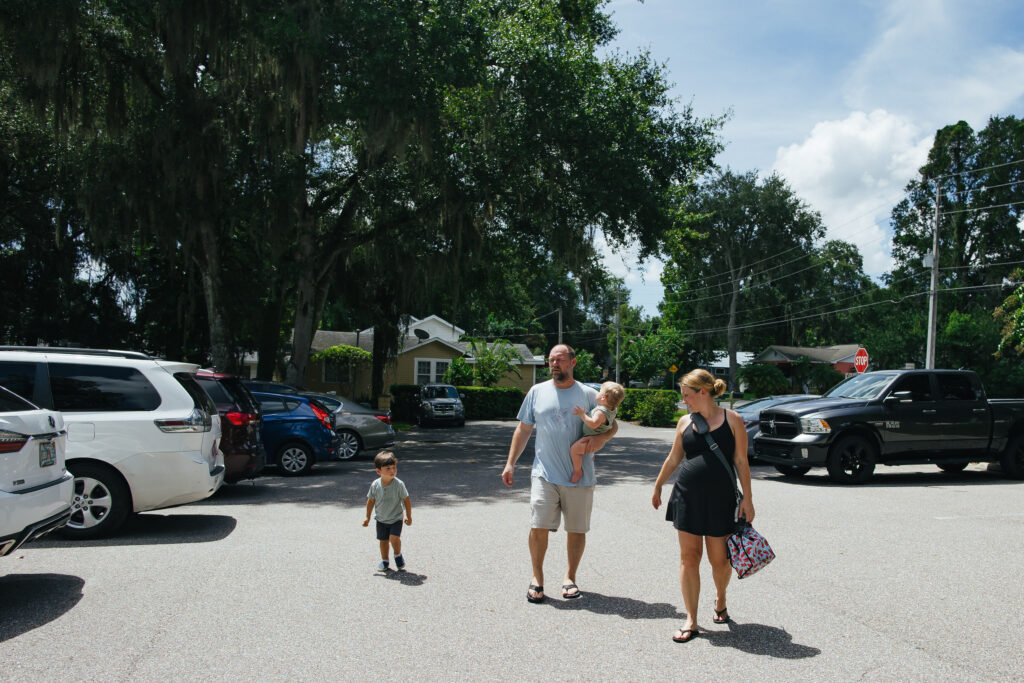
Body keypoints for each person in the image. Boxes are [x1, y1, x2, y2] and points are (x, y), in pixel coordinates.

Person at [501, 344, 618, 603]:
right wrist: (510, 463)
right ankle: (537, 579)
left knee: (576, 530)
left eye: (560, 360)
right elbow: (523, 430)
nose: (554, 364)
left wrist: (601, 441)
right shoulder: (536, 391)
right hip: (544, 473)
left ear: (572, 363)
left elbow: (612, 424)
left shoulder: (589, 394)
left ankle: (570, 578)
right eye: (551, 360)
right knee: (538, 526)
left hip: (580, 476)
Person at [651, 369, 754, 643]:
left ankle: (720, 598)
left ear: (703, 392)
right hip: (687, 496)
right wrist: (659, 484)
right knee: (689, 558)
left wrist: (748, 498)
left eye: (687, 396)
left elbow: (741, 462)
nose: (685, 402)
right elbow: (674, 458)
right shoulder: (685, 422)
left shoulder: (732, 420)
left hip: (720, 499)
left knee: (719, 560)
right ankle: (691, 620)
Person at [362, 451, 412, 572]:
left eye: (394, 467)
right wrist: (367, 517)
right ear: (378, 471)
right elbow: (370, 501)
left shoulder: (399, 484)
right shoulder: (375, 485)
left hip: (396, 518)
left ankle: (398, 555)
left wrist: (408, 517)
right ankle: (385, 560)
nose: (392, 471)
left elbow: (406, 500)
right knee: (383, 541)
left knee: (393, 538)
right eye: (388, 468)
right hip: (381, 519)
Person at [569, 381, 625, 483]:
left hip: (590, 439)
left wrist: (582, 415)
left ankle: (577, 471)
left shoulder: (600, 412)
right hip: (594, 437)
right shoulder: (613, 409)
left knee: (574, 450)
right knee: (582, 450)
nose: (597, 393)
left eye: (599, 391)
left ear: (604, 397)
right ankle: (592, 456)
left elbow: (593, 424)